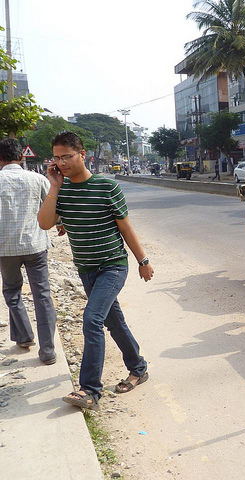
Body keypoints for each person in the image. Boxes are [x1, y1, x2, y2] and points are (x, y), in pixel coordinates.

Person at [38, 132, 154, 411]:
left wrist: (143, 260)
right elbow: (44, 223)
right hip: (86, 269)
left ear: (82, 154)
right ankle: (138, 367)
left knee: (92, 319)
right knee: (113, 321)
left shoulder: (107, 186)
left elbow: (126, 228)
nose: (62, 162)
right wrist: (54, 186)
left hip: (113, 265)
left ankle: (89, 390)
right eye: (57, 157)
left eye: (67, 156)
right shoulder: (61, 191)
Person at [0, 138, 57, 365]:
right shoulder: (38, 179)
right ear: (22, 156)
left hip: (5, 249)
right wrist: (59, 224)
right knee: (42, 295)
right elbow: (53, 206)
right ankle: (48, 351)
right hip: (35, 246)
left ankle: (24, 337)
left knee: (12, 292)